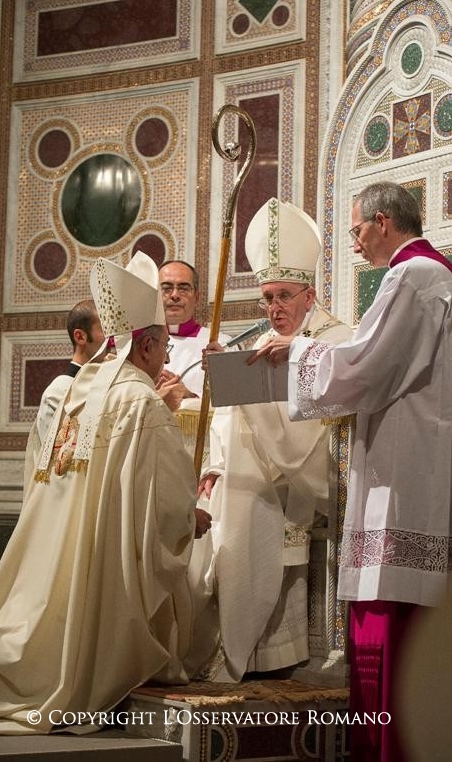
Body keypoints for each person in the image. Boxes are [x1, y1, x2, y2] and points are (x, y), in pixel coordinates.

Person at [0, 252, 209, 734]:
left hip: (59, 543)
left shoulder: (81, 390)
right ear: (147, 346)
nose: (164, 357)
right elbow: (159, 501)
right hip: (103, 554)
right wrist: (191, 516)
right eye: (161, 347)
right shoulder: (139, 400)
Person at [251, 182, 452, 762]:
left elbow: (367, 367)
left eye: (359, 229)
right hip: (414, 461)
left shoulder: (413, 277)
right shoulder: (433, 276)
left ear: (384, 222)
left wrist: (296, 351)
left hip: (405, 473)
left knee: (386, 621)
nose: (357, 243)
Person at [187, 198, 351, 683]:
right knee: (230, 498)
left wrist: (265, 397)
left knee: (253, 501)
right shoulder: (259, 345)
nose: (274, 309)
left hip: (307, 478)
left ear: (309, 294)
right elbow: (231, 419)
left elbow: (322, 429)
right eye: (267, 298)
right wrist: (214, 466)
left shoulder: (338, 340)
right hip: (258, 474)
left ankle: (253, 647)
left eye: (283, 296)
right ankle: (231, 643)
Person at [23, 299, 106, 490]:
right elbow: (62, 465)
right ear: (80, 336)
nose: (114, 340)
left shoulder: (105, 386)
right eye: (106, 330)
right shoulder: (59, 392)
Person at [159, 260, 232, 400]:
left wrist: (190, 396)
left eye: (183, 288)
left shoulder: (222, 344)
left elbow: (233, 402)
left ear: (197, 297)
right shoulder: (142, 344)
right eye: (167, 288)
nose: (174, 295)